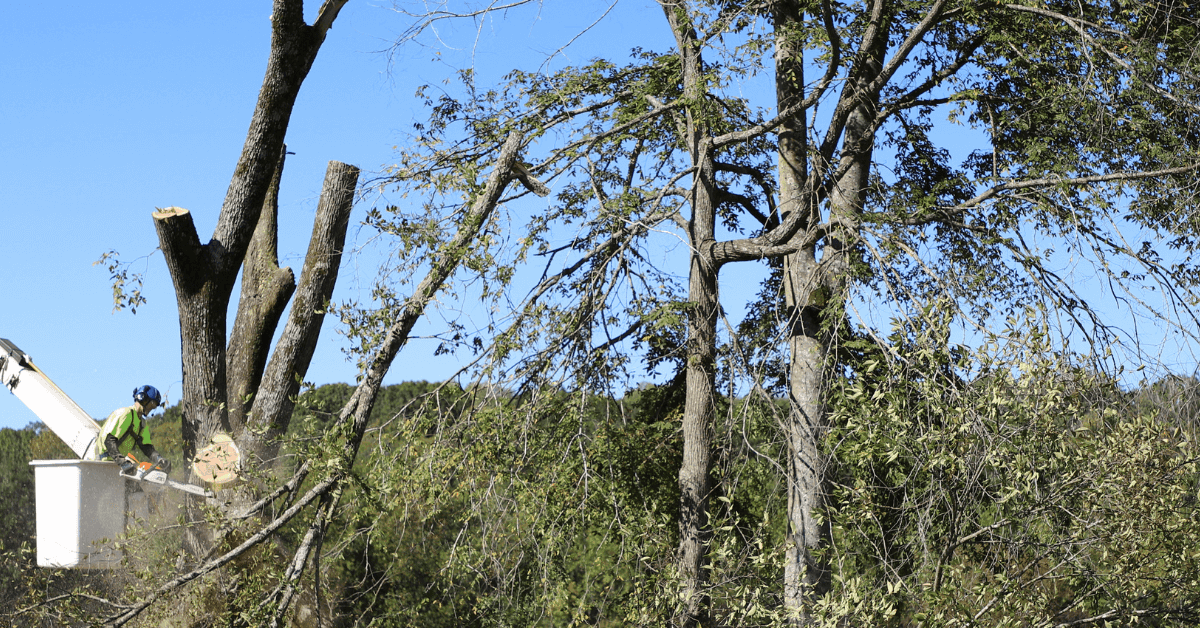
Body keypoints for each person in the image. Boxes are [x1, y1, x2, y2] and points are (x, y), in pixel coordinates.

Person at [89, 385, 170, 474]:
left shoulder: (141, 423)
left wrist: (159, 459)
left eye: (154, 407)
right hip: (100, 463)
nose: (151, 409)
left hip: (115, 464)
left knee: (136, 487)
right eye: (152, 405)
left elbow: (147, 447)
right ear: (143, 398)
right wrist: (122, 462)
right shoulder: (126, 413)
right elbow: (109, 441)